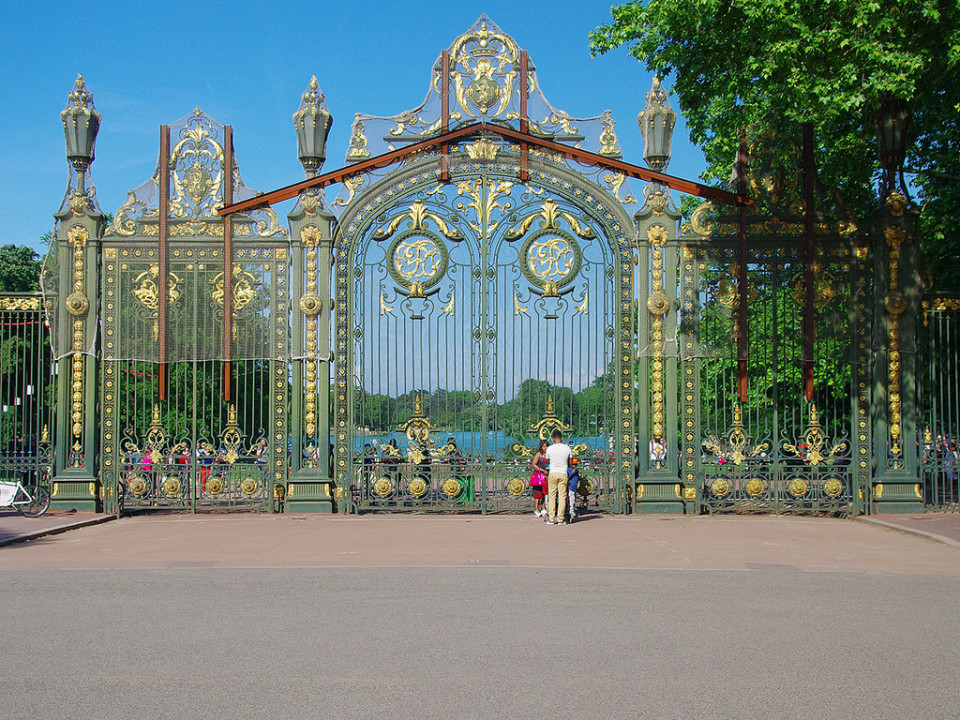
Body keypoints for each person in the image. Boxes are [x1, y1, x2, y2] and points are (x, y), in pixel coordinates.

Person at [544, 429, 572, 525]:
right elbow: (570, 462)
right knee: (562, 496)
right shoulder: (567, 448)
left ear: (553, 439)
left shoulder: (549, 449)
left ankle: (551, 518)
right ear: (561, 438)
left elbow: (548, 462)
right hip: (563, 473)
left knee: (552, 496)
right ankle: (560, 519)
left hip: (553, 473)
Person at [529, 439, 549, 517]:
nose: (545, 448)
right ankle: (536, 509)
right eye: (544, 446)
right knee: (537, 493)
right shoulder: (538, 454)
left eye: (546, 446)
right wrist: (542, 470)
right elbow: (534, 464)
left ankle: (543, 508)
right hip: (539, 476)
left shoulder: (549, 454)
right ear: (541, 447)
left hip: (546, 476)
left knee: (545, 493)